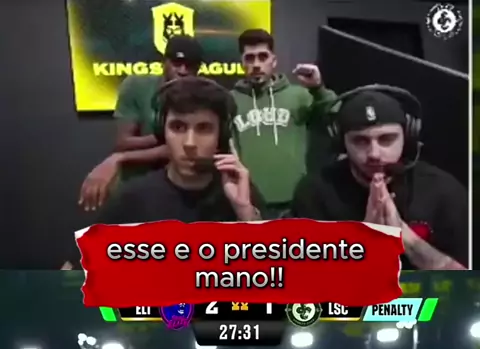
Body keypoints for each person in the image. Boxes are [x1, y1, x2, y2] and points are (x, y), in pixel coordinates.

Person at [291, 86, 468, 270]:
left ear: (407, 138)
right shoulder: (314, 192)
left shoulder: (445, 192)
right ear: (342, 142)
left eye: (386, 139)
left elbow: (466, 282)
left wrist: (407, 240)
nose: (374, 154)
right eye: (360, 140)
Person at [95, 76, 264, 226]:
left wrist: (245, 212)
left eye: (203, 128)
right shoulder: (131, 200)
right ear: (162, 132)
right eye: (178, 127)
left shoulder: (242, 193)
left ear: (221, 137)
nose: (190, 143)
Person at [79, 35, 204, 212]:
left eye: (190, 66)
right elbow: (123, 142)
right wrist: (161, 137)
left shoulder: (203, 97)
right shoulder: (137, 86)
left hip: (181, 190)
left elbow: (177, 151)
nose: (183, 71)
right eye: (177, 63)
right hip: (136, 183)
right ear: (164, 62)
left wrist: (120, 158)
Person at [232, 29, 337, 217]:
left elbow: (336, 114)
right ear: (242, 62)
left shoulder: (299, 95)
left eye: (263, 57)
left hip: (296, 199)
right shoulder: (230, 100)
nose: (256, 64)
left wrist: (318, 89)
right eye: (250, 58)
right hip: (250, 201)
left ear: (274, 61)